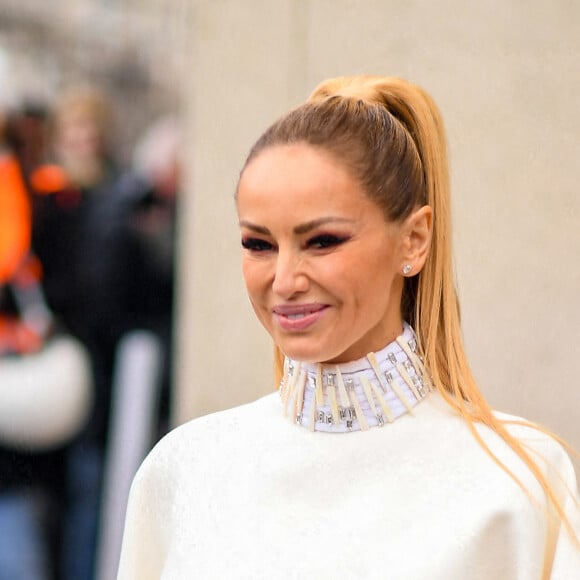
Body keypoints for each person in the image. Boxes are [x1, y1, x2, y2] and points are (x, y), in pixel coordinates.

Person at [117, 76, 579, 579]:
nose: (285, 280)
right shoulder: (184, 470)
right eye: (259, 244)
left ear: (414, 241)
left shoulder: (519, 478)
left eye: (322, 241)